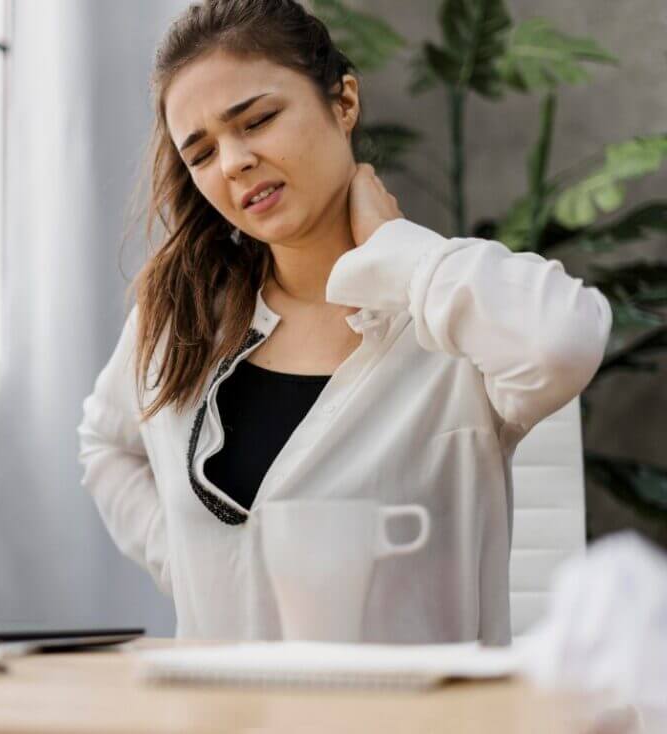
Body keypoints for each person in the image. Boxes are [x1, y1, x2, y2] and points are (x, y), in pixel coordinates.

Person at [76, 0, 612, 646]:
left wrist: (394, 247)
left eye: (259, 119)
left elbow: (564, 341)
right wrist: (193, 560)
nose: (234, 162)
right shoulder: (180, 318)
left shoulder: (446, 315)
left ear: (344, 102)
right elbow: (104, 444)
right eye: (202, 154)